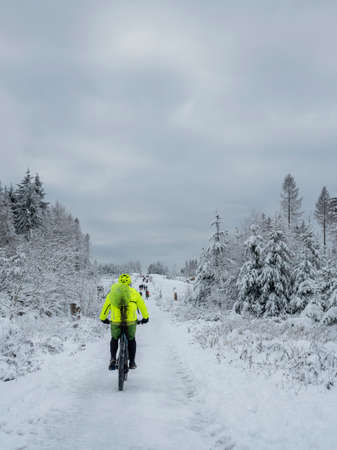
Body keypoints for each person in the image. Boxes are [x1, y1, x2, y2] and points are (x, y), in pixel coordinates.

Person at [100, 273, 149, 370]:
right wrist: (145, 318)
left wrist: (103, 318)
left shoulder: (112, 293)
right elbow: (142, 306)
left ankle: (113, 359)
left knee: (114, 339)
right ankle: (132, 362)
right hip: (130, 322)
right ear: (129, 283)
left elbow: (106, 308)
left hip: (116, 322)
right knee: (131, 340)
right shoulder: (134, 293)